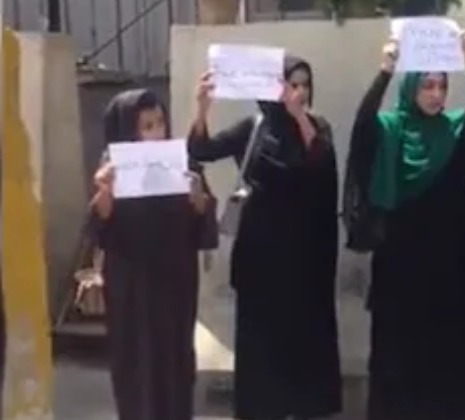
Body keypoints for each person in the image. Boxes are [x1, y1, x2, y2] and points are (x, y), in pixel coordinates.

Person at [342, 33, 465, 420]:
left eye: (442, 86)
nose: (436, 95)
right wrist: (384, 71)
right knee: (401, 359)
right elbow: (362, 125)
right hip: (402, 270)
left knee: (456, 360)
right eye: (427, 85)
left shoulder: (457, 128)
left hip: (455, 269)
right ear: (411, 87)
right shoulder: (389, 131)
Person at [188, 55, 342, 420]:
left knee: (303, 343)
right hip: (261, 259)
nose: (299, 92)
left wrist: (299, 115)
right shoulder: (254, 128)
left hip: (305, 261)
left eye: (305, 85)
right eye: (292, 84)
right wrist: (202, 108)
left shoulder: (318, 127)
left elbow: (319, 162)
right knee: (261, 345)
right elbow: (202, 151)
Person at [90, 88, 218, 420]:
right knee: (135, 363)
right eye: (145, 126)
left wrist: (198, 199)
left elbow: (203, 222)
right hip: (130, 285)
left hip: (174, 283)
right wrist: (105, 193)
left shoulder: (183, 164)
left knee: (174, 362)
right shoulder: (113, 169)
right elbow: (100, 228)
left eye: (159, 123)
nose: (155, 133)